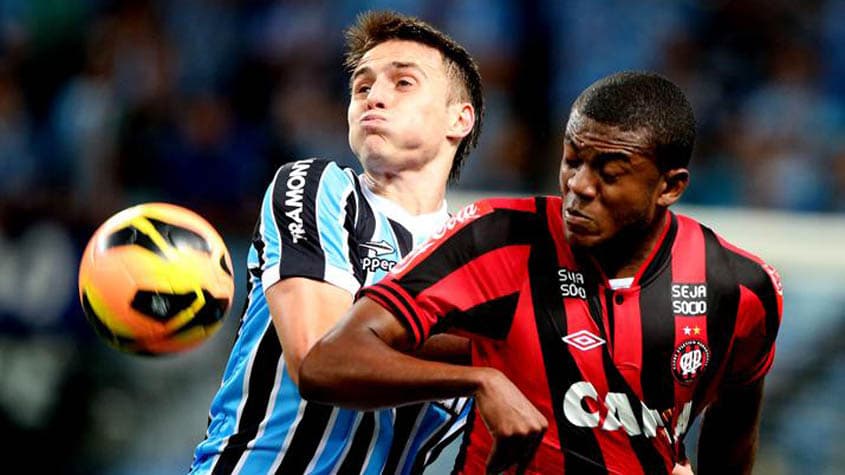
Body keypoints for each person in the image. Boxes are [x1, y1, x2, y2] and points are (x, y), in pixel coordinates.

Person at [299, 71, 783, 474]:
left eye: (609, 174)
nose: (579, 187)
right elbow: (329, 362)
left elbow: (732, 441)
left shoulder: (739, 289)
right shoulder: (500, 238)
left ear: (669, 187)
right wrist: (477, 380)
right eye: (572, 160)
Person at [190, 11, 484, 474]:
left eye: (403, 83)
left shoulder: (480, 265)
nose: (374, 97)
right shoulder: (317, 187)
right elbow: (318, 358)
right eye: (361, 87)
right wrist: (489, 361)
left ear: (459, 118)